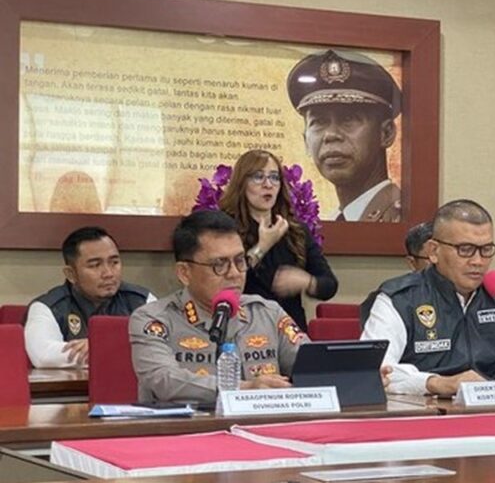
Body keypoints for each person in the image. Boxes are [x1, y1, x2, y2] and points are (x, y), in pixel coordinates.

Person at [361, 199, 495, 396]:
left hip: (487, 408)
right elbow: (377, 371)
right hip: (421, 410)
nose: (478, 261)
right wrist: (435, 383)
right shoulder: (400, 299)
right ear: (434, 251)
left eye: (486, 249)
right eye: (466, 249)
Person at [131, 211, 305, 404]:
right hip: (189, 423)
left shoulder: (267, 313)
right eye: (219, 264)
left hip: (262, 422)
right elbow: (164, 381)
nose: (234, 273)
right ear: (184, 273)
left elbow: (315, 367)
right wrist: (244, 389)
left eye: (240, 261)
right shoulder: (154, 319)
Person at [218, 149, 338, 331]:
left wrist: (307, 282)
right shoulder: (225, 228)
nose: (268, 185)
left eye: (274, 177)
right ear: (242, 183)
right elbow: (224, 282)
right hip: (243, 329)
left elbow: (330, 285)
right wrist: (262, 246)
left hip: (290, 331)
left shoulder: (296, 230)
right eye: (258, 177)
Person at [287, 49, 402, 222]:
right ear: (306, 142)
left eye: (349, 119)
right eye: (319, 122)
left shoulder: (401, 217)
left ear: (386, 133)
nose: (331, 135)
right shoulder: (328, 221)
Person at [25, 227, 154, 368]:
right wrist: (122, 349)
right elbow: (43, 355)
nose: (108, 273)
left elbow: (166, 345)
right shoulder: (48, 307)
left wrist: (100, 345)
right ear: (70, 274)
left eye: (114, 263)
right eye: (95, 265)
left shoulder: (142, 300)